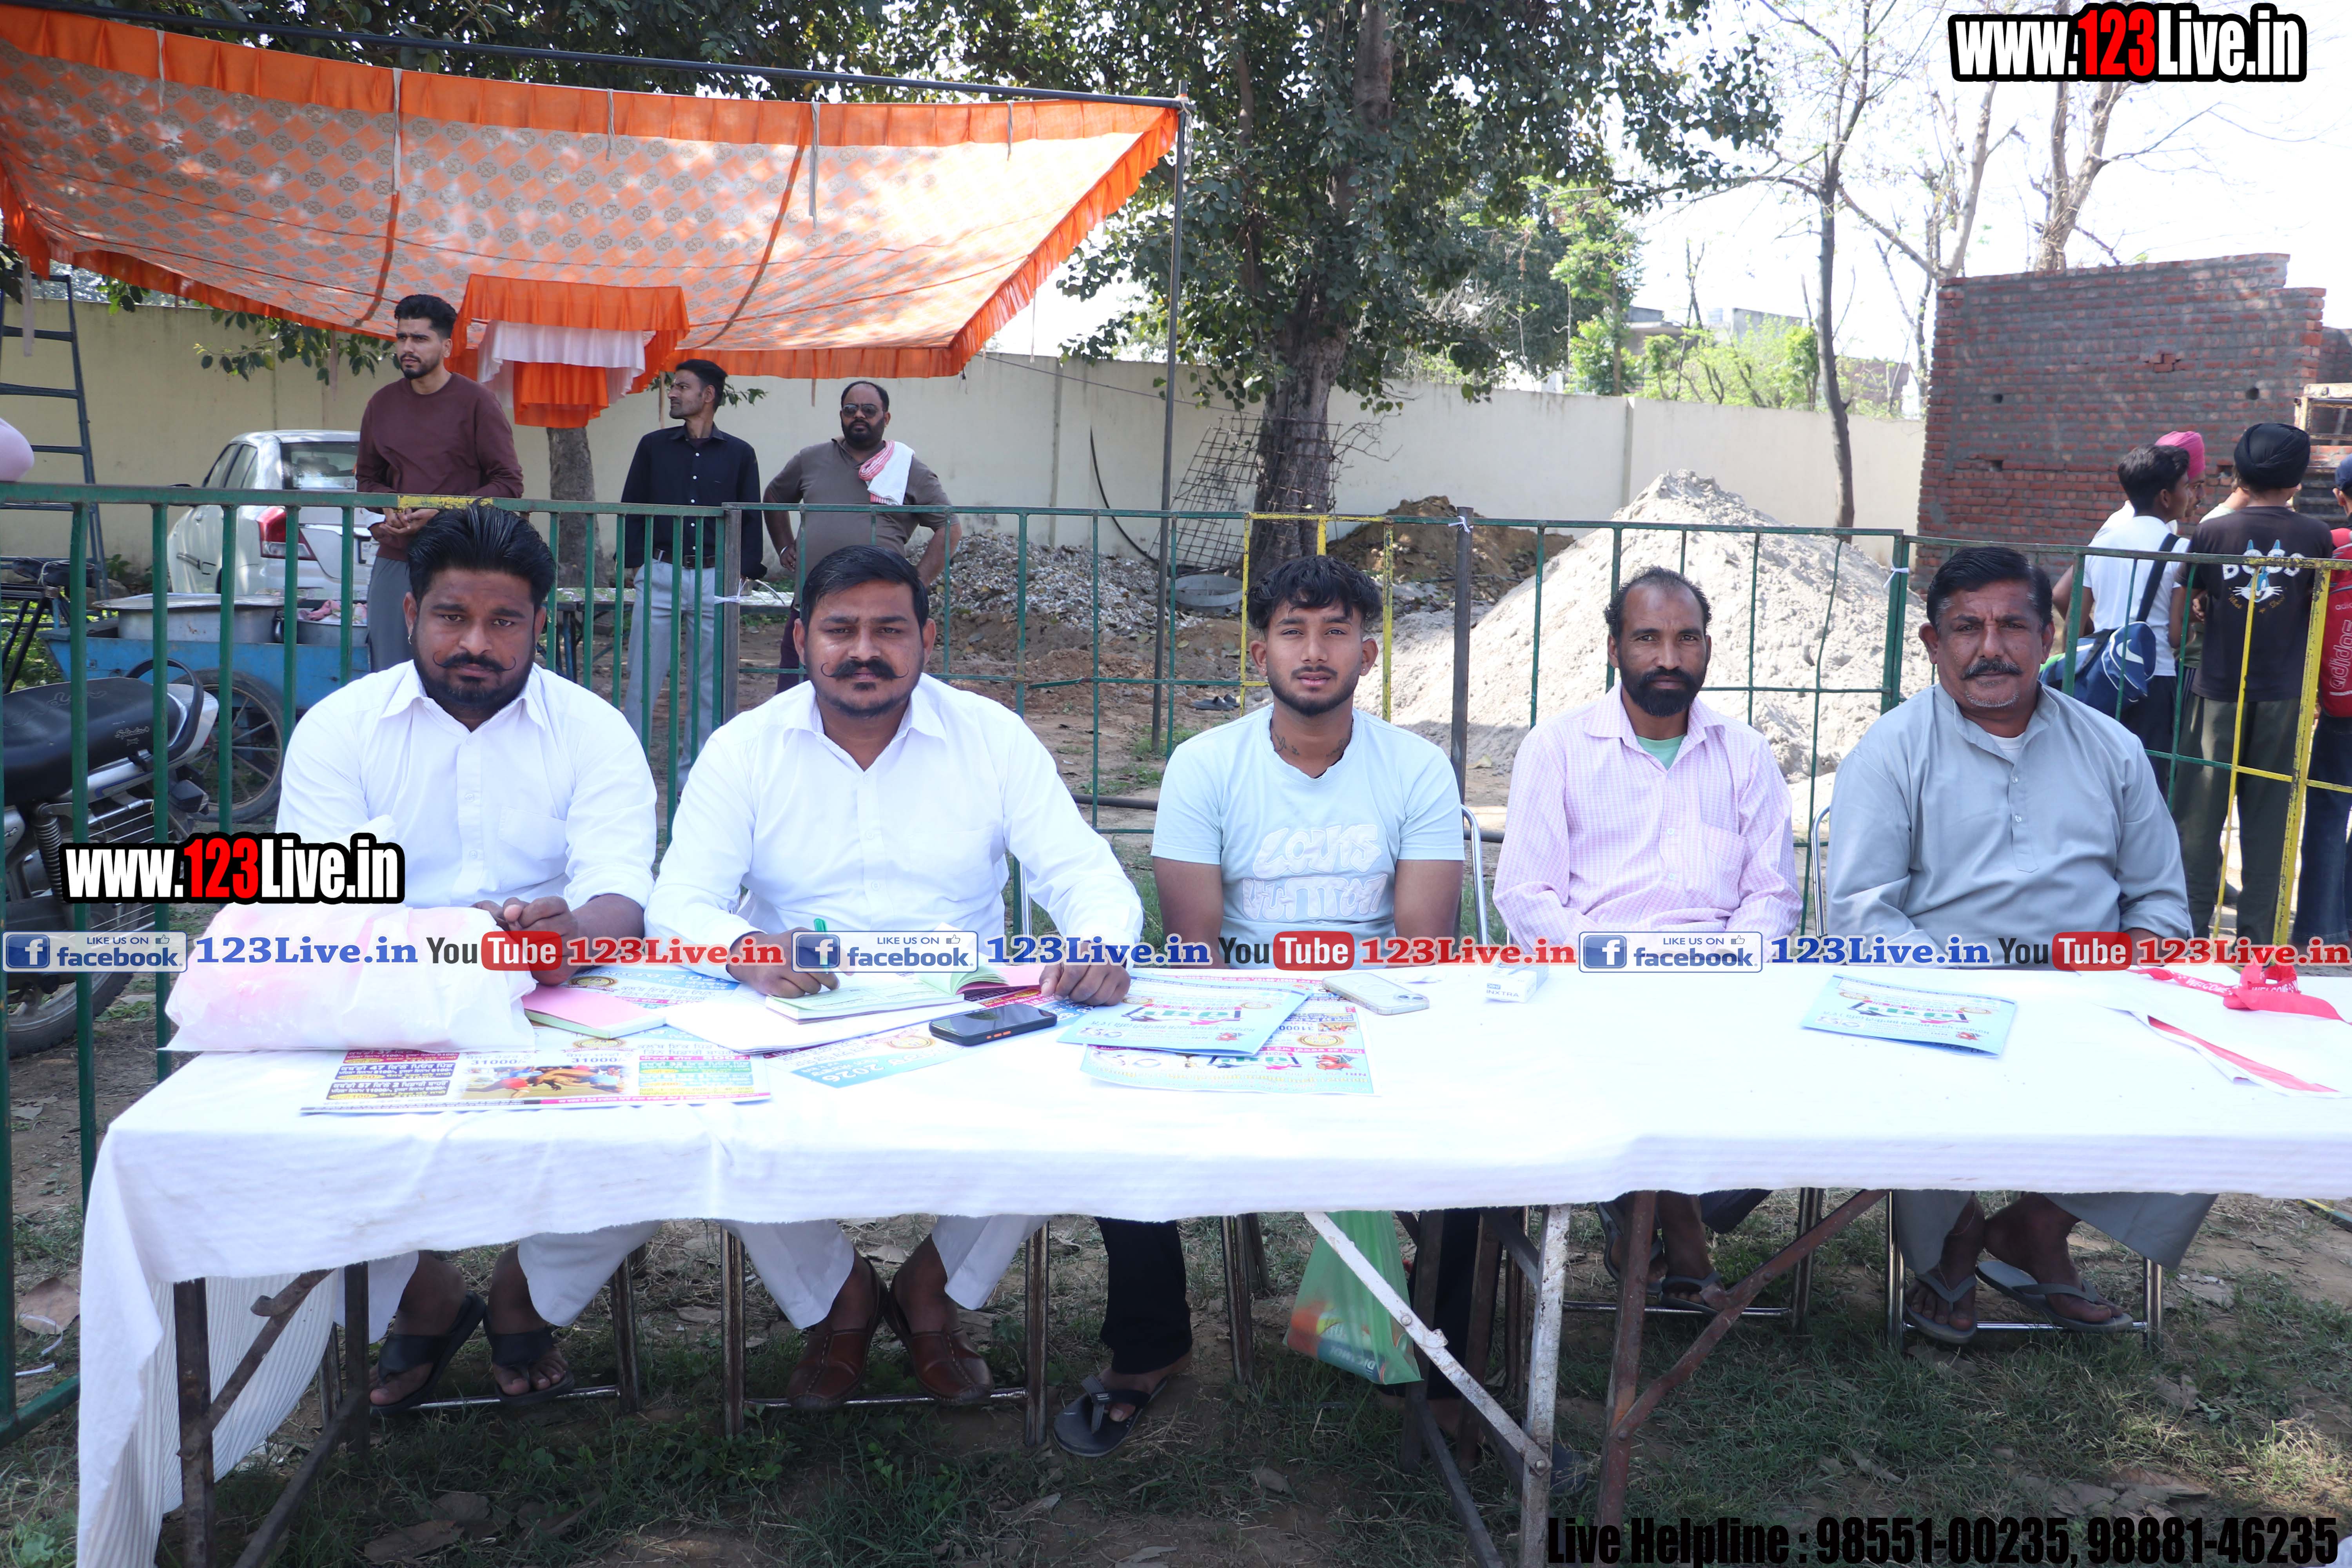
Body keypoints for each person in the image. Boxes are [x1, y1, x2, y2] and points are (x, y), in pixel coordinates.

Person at [638, 544, 1141, 1408]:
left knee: (1062, 1106)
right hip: (797, 1005)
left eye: (890, 630)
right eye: (841, 630)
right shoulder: (746, 748)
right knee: (716, 1113)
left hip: (966, 1008)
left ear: (927, 640)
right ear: (801, 637)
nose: (864, 651)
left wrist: (1099, 942)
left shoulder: (990, 737)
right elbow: (679, 902)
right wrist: (744, 948)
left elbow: (1082, 872)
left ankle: (930, 1292)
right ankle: (841, 1298)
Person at [1058, 555, 1465, 1459]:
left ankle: (1449, 1368)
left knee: (1476, 1135)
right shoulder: (1205, 764)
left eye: (1335, 632)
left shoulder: (1416, 768)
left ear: (1368, 653)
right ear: (1259, 652)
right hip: (1236, 1008)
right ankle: (1151, 1344)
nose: (1314, 651)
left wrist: (1338, 1016)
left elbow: (1422, 946)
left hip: (1379, 1013)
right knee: (1122, 1110)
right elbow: (1195, 944)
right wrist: (1262, 1026)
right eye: (1293, 631)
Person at [276, 504, 656, 1407]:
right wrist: (459, 940)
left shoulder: (594, 728)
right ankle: (425, 1292)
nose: (476, 643)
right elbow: (319, 902)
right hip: (381, 992)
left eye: (504, 621)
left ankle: (534, 1287)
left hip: (558, 997)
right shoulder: (340, 729)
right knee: (282, 1131)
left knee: (662, 1125)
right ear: (411, 613)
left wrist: (571, 934)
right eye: (452, 616)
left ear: (539, 625)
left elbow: (621, 899)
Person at [1827, 546, 2200, 1344]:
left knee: (2213, 1069)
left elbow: (2162, 907)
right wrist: (1968, 994)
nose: (1990, 648)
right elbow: (1860, 916)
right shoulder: (1891, 752)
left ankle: (2040, 1224)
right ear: (1934, 643)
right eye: (1967, 628)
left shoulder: (2112, 748)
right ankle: (1954, 1230)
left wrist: (2113, 977)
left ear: (2048, 636)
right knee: (1911, 1043)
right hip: (1944, 997)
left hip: (2091, 991)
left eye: (2012, 626)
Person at [1494, 564, 1800, 1307]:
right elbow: (1526, 896)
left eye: (1687, 639)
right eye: (1648, 639)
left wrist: (1728, 967)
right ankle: (1681, 1228)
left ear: (1707, 648)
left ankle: (1641, 1209)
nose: (1669, 657)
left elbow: (1772, 896)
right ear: (1614, 649)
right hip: (1592, 983)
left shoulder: (1745, 752)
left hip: (1719, 983)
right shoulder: (1558, 747)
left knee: (1802, 1072)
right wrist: (1611, 968)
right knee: (1634, 1049)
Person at [2170, 423, 2332, 944]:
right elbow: (2314, 607)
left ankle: (2188, 933)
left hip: (2218, 691)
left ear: (2240, 473)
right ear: (2297, 479)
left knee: (2198, 821)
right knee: (2269, 823)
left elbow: (2187, 603)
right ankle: (2259, 943)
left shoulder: (2214, 533)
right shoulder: (2316, 536)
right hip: (2285, 695)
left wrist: (2196, 617)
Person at [356, 294, 525, 672]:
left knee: (456, 670)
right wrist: (389, 506)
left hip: (462, 558)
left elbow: (508, 484)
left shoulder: (478, 402)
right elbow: (367, 480)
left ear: (446, 347)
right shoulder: (381, 404)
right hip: (397, 556)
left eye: (420, 339)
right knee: (390, 671)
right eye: (402, 338)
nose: (407, 348)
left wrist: (443, 512)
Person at [761, 380, 960, 690]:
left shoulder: (905, 468)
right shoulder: (811, 459)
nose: (859, 416)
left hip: (880, 613)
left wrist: (917, 584)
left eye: (869, 410)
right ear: (841, 415)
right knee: (796, 695)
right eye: (851, 409)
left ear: (886, 418)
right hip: (814, 606)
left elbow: (949, 527)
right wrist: (785, 546)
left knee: (871, 694)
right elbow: (774, 496)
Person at [617, 359, 763, 760]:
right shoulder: (653, 446)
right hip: (660, 572)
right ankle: (628, 768)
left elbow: (750, 515)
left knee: (710, 682)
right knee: (642, 676)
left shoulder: (740, 453)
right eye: (673, 386)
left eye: (682, 387)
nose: (673, 393)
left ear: (708, 395)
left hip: (716, 577)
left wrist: (744, 572)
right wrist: (637, 564)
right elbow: (633, 505)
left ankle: (696, 772)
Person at [2060, 443, 2198, 793]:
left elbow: (2074, 623)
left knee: (2095, 775)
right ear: (2166, 497)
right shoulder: (2180, 550)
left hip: (2101, 674)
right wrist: (2193, 633)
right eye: (2186, 487)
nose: (2189, 495)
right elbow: (2176, 636)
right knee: (2146, 782)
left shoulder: (2101, 542)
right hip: (2155, 678)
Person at [2291, 451, 2352, 947]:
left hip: (2339, 707)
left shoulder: (2331, 549)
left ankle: (2320, 931)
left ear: (2340, 497)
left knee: (2329, 816)